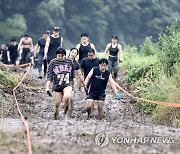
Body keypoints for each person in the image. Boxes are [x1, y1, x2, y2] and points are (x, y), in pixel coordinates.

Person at [46, 47, 75, 120]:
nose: (60, 57)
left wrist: (74, 84)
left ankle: (65, 113)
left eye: (61, 56)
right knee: (56, 105)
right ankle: (56, 118)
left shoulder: (69, 62)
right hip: (57, 86)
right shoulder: (52, 62)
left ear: (65, 55)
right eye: (58, 56)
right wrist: (47, 87)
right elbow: (49, 76)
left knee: (67, 96)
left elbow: (73, 74)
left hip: (67, 84)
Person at [68, 47, 85, 117]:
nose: (73, 54)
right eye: (72, 52)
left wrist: (84, 83)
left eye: (75, 53)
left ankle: (70, 111)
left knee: (71, 97)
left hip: (71, 81)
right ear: (70, 52)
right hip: (61, 81)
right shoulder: (64, 60)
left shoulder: (76, 64)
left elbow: (80, 74)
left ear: (77, 55)